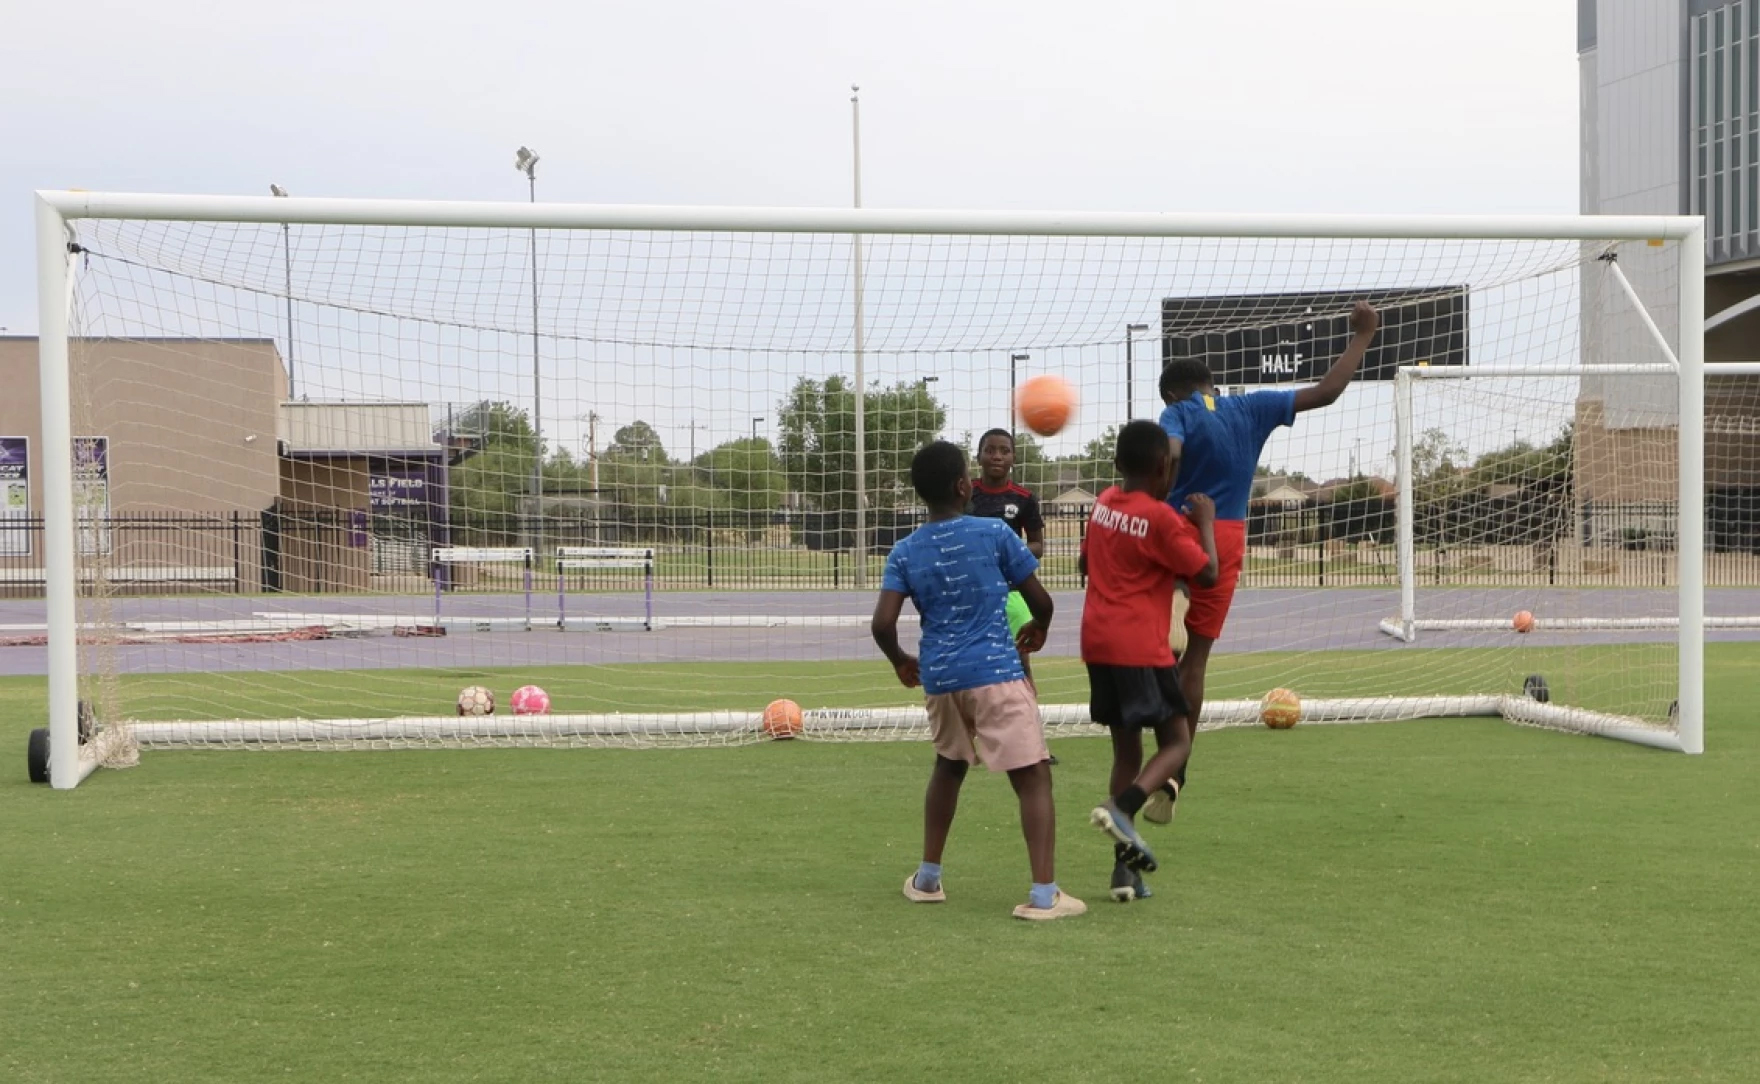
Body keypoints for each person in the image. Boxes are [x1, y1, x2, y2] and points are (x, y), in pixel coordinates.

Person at [1142, 301, 1380, 825]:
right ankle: (1178, 770)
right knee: (1196, 661)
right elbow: (1327, 392)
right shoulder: (1252, 407)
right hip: (1226, 533)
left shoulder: (1177, 412)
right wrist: (1363, 335)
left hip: (1179, 524)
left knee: (1153, 647)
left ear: (1171, 394)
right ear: (1213, 384)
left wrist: (1157, 493)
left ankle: (1174, 599)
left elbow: (1171, 453)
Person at [871, 440, 1084, 921]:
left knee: (948, 766)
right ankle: (1044, 896)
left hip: (940, 678)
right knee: (1033, 775)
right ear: (963, 486)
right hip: (996, 673)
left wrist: (901, 660)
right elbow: (1042, 601)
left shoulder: (905, 551)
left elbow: (882, 624)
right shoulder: (994, 533)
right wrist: (1040, 627)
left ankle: (927, 880)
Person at [1077, 421, 1218, 897]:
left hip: (1097, 643)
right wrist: (1205, 522)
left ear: (1117, 463)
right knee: (1177, 742)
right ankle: (1122, 807)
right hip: (1139, 646)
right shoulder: (1160, 518)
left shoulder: (1102, 503)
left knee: (1127, 751)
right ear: (1164, 466)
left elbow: (1084, 564)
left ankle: (1125, 873)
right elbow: (1208, 573)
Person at [967, 429, 1046, 691]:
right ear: (979, 457)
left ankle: (1029, 711)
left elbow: (1038, 546)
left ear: (1013, 458)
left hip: (1013, 591)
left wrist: (1008, 551)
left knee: (1020, 661)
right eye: (990, 450)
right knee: (974, 663)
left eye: (1004, 451)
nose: (997, 456)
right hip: (974, 592)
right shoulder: (966, 495)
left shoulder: (1024, 498)